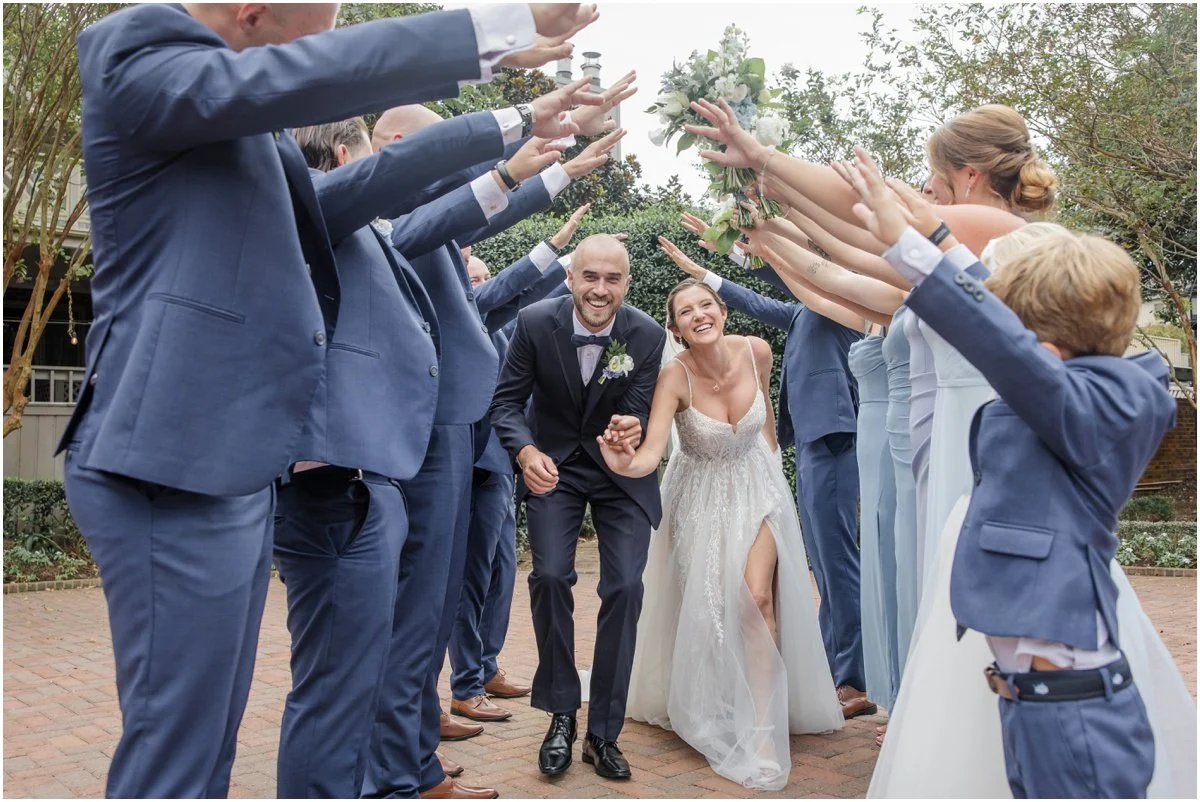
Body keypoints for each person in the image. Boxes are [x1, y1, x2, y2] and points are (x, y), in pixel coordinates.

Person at [60, 2, 593, 796]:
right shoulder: (134, 51)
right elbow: (297, 80)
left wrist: (513, 125)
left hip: (234, 466)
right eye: (327, 16)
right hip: (167, 458)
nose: (331, 32)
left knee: (208, 751)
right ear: (255, 11)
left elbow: (370, 185)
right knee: (178, 754)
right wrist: (491, 31)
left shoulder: (257, 137)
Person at [845, 149, 1195, 799]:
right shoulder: (1075, 386)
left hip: (1077, 714)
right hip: (1029, 701)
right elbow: (1002, 324)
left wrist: (906, 242)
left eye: (1020, 323)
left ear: (1045, 338)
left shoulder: (1110, 401)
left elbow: (998, 341)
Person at [608, 264, 843, 789]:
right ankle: (715, 699)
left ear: (722, 312)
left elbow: (768, 428)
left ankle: (762, 727)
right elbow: (650, 456)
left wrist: (775, 479)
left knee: (755, 598)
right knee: (712, 607)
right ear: (676, 329)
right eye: (686, 312)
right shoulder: (676, 376)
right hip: (700, 497)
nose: (699, 315)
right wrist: (623, 462)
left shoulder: (756, 350)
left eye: (705, 306)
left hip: (758, 487)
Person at [489, 234, 665, 781]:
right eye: (590, 276)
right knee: (548, 575)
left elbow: (636, 411)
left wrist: (628, 429)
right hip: (554, 468)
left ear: (627, 284)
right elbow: (507, 401)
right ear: (571, 278)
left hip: (620, 473)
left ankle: (603, 731)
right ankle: (562, 713)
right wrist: (525, 450)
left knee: (625, 587)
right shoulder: (536, 322)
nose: (600, 288)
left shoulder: (647, 334)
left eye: (613, 279)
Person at [447, 207, 589, 726]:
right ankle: (464, 682)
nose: (482, 284)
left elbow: (539, 303)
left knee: (503, 570)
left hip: (507, 463)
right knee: (471, 574)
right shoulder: (466, 315)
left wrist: (578, 271)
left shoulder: (506, 329)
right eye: (475, 278)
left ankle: (487, 666)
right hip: (474, 460)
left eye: (485, 276)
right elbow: (520, 292)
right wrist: (565, 252)